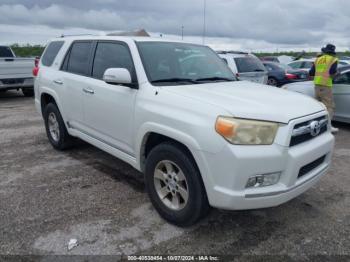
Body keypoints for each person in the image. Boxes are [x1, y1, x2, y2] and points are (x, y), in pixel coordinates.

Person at [309, 44, 339, 133]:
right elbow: (332, 72)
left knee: (318, 107)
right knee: (330, 106)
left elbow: (311, 72)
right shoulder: (333, 59)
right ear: (332, 52)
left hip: (317, 85)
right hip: (325, 85)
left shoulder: (318, 59)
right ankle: (328, 127)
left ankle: (315, 126)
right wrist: (337, 74)